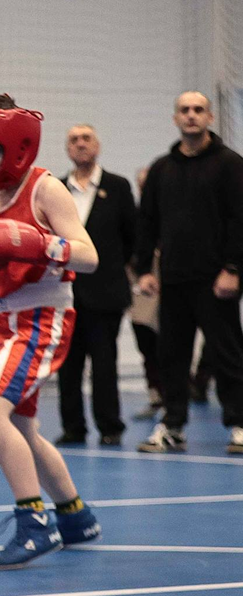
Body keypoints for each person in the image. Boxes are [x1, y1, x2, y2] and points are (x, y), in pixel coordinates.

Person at [0, 96, 102, 566]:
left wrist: (39, 244)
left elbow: (89, 256)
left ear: (18, 147)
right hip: (2, 318)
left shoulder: (45, 189)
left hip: (43, 315)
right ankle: (75, 515)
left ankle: (34, 521)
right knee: (21, 427)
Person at [132, 92, 243, 454]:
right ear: (175, 118)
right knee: (171, 356)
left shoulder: (230, 164)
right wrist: (144, 270)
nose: (191, 115)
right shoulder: (161, 168)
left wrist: (233, 269)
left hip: (217, 280)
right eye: (185, 110)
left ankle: (239, 423)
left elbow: (240, 220)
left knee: (227, 354)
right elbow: (147, 222)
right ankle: (172, 425)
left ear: (210, 117)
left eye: (198, 110)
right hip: (174, 280)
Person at [55, 124, 135, 447]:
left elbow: (131, 238)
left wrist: (111, 269)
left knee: (104, 364)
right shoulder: (56, 189)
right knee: (67, 366)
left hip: (106, 293)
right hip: (64, 294)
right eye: (74, 140)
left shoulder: (117, 187)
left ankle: (110, 426)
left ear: (97, 146)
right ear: (67, 149)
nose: (80, 144)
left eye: (86, 138)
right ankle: (73, 427)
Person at [128, 166, 163, 418]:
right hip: (141, 288)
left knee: (171, 344)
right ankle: (155, 395)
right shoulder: (134, 216)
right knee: (146, 342)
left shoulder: (171, 212)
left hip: (172, 284)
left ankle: (180, 391)